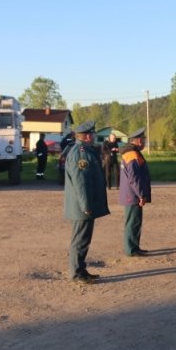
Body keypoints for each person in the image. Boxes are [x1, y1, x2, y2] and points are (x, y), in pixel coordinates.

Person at [63, 121, 110, 284]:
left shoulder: (84, 150)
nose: (95, 136)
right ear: (88, 136)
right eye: (93, 134)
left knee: (84, 239)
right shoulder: (80, 153)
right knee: (80, 240)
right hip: (81, 207)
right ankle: (76, 274)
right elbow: (80, 182)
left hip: (83, 206)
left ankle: (81, 270)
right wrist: (86, 205)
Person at [119, 127, 152, 257]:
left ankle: (134, 247)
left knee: (135, 222)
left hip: (131, 194)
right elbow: (134, 178)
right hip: (132, 195)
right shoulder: (132, 154)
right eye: (143, 140)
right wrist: (141, 194)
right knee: (132, 223)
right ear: (138, 141)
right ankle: (131, 249)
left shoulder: (132, 152)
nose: (145, 142)